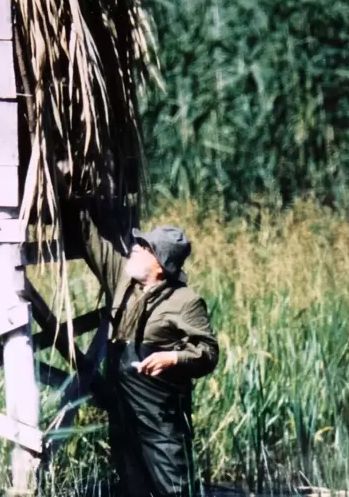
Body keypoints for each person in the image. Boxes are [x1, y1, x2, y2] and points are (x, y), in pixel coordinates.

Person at [63, 200, 220, 497]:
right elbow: (91, 240)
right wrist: (71, 192)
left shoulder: (185, 301)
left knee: (174, 487)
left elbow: (209, 352)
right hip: (123, 410)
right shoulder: (123, 280)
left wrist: (174, 357)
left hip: (160, 416)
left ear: (159, 263)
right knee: (130, 484)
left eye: (144, 246)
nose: (134, 246)